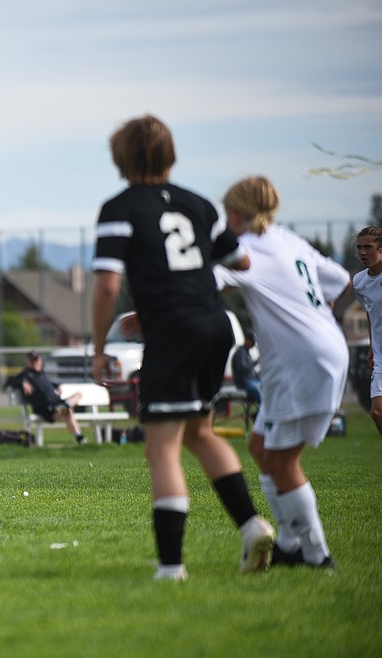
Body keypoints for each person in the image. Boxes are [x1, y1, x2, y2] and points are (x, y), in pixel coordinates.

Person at [90, 115, 273, 581]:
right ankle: (252, 526)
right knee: (200, 432)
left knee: (162, 449)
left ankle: (171, 567)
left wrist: (98, 346)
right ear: (170, 155)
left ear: (121, 157)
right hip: (215, 325)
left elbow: (108, 285)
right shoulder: (200, 205)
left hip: (172, 334)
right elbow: (243, 260)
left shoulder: (120, 208)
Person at [214, 175, 348, 569]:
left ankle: (317, 555)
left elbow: (209, 283)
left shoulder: (247, 250)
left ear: (236, 213)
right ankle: (289, 545)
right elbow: (338, 280)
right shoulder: (288, 239)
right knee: (260, 448)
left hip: (299, 361)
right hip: (318, 348)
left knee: (282, 462)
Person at [5, 351, 87, 444]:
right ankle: (79, 437)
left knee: (78, 395)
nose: (33, 362)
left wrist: (56, 385)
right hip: (47, 409)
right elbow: (8, 381)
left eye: (35, 360)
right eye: (31, 360)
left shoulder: (41, 374)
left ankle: (66, 406)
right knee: (68, 412)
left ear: (40, 361)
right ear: (27, 361)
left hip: (58, 404)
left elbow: (46, 384)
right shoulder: (25, 375)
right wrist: (22, 383)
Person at [352, 225, 382, 439]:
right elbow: (371, 315)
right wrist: (372, 348)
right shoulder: (360, 282)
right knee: (377, 412)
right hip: (381, 356)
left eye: (368, 247)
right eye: (359, 247)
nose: (362, 252)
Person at [230, 333, 261, 405]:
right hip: (243, 381)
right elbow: (242, 369)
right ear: (247, 340)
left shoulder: (246, 352)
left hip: (250, 380)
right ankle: (263, 410)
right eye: (252, 341)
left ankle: (260, 411)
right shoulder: (240, 352)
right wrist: (255, 363)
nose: (253, 344)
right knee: (257, 389)